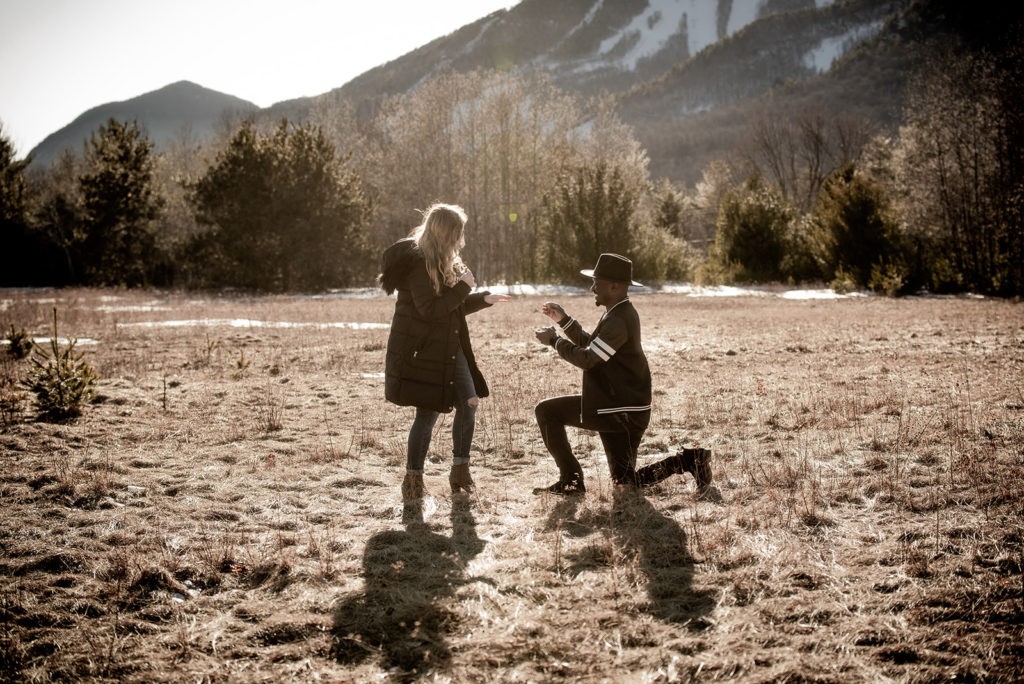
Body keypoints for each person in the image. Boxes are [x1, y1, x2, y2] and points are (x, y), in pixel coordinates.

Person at [533, 253, 715, 497]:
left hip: (619, 412)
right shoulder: (617, 312)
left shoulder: (620, 318)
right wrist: (564, 322)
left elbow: (588, 359)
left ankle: (571, 481)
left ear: (615, 286)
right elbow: (592, 347)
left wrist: (554, 341)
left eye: (597, 282)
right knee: (625, 483)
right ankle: (691, 461)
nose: (592, 288)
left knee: (547, 412)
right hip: (620, 407)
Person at [379, 203, 510, 501]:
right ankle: (413, 481)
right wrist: (464, 288)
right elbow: (430, 310)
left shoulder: (446, 261)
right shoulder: (418, 263)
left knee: (470, 402)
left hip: (450, 346)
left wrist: (483, 298)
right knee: (427, 412)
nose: (461, 237)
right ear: (445, 232)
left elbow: (453, 307)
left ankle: (460, 471)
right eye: (458, 231)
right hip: (424, 350)